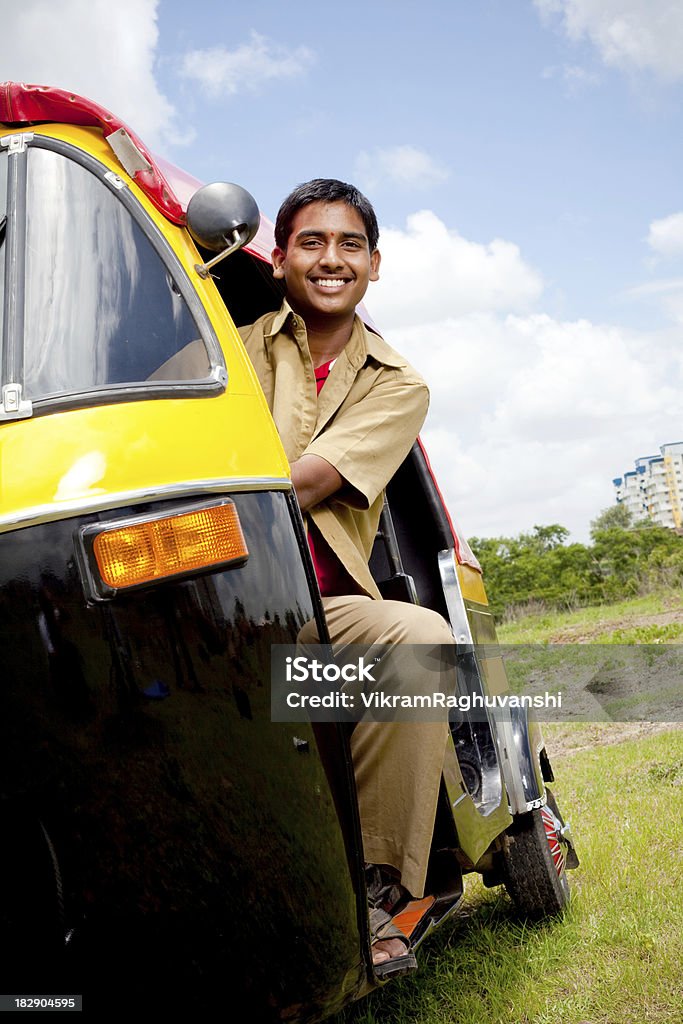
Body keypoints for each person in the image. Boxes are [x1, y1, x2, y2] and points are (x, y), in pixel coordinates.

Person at [239, 179, 455, 974]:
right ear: (278, 257)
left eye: (349, 244)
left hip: (316, 606)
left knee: (418, 638)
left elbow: (304, 483)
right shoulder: (223, 350)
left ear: (372, 265)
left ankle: (373, 890)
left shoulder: (399, 383)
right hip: (201, 598)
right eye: (311, 242)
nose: (330, 259)